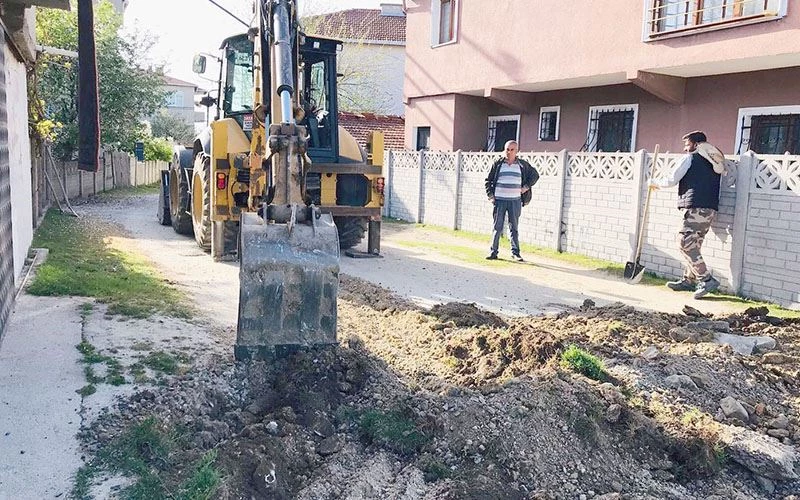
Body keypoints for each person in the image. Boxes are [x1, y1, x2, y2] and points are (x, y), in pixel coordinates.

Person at [649, 131, 723, 299]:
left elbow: (672, 179)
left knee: (684, 243)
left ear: (696, 144)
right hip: (709, 208)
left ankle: (707, 280)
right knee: (694, 244)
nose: (685, 148)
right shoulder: (713, 161)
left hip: (695, 207)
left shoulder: (690, 158)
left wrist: (653, 182)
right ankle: (689, 280)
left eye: (687, 144)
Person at [484, 140, 539, 261]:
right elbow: (488, 180)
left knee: (514, 227)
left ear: (517, 151)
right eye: (507, 150)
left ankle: (515, 253)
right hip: (499, 201)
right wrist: (491, 196)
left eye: (512, 150)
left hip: (515, 201)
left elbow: (535, 175)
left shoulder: (522, 165)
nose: (509, 152)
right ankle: (493, 252)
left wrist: (526, 187)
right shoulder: (498, 164)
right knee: (497, 227)